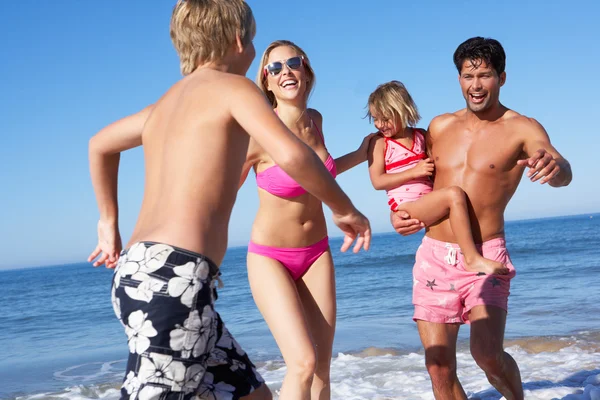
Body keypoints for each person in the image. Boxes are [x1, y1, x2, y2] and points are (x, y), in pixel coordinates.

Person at [87, 2, 371, 399]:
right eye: (253, 40)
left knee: (255, 394)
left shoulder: (167, 101)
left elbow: (100, 144)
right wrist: (344, 208)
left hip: (145, 271)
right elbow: (291, 156)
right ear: (239, 40)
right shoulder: (234, 88)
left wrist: (107, 223)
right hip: (176, 276)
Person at [391, 37, 571, 400]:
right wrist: (402, 214)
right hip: (434, 256)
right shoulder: (440, 127)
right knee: (438, 367)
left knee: (486, 354)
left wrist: (556, 168)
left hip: (485, 256)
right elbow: (416, 179)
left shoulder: (522, 127)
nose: (476, 85)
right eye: (467, 76)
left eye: (485, 75)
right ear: (458, 78)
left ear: (501, 78)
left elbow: (561, 167)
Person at [237, 39, 374, 400]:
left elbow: (318, 174)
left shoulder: (316, 121)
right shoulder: (257, 133)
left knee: (322, 371)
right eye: (275, 68)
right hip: (270, 256)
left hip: (316, 253)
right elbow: (221, 191)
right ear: (265, 81)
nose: (286, 71)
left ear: (307, 71)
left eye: (293, 62)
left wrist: (360, 155)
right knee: (302, 363)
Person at [366, 80, 508, 275]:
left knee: (457, 199)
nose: (379, 124)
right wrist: (413, 172)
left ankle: (460, 256)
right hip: (407, 207)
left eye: (385, 118)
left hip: (428, 200)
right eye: (375, 118)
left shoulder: (422, 136)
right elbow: (378, 181)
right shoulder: (380, 143)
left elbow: (438, 167)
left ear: (403, 110)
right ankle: (471, 257)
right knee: (453, 195)